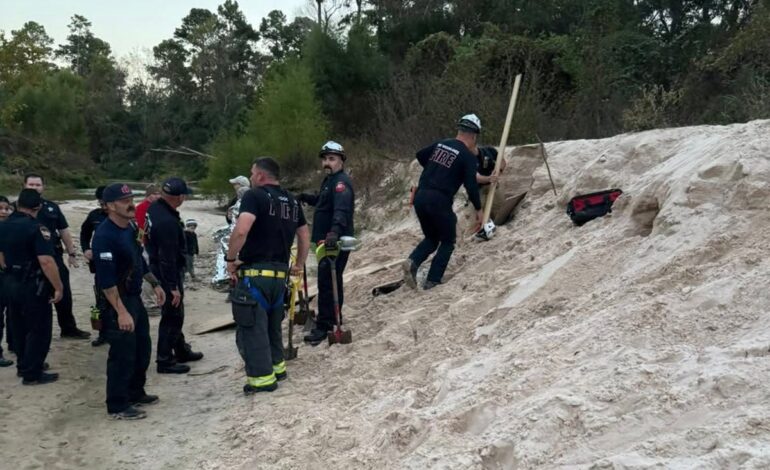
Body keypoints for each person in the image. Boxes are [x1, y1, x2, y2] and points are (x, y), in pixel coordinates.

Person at [225, 157, 309, 394]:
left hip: (255, 276)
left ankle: (262, 381)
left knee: (252, 330)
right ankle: (278, 369)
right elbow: (304, 235)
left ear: (261, 175)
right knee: (273, 327)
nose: (251, 177)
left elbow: (242, 230)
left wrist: (230, 259)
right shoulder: (292, 201)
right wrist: (299, 264)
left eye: (252, 173)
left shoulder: (254, 196)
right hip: (279, 277)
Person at [92, 183, 165, 419]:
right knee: (122, 353)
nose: (130, 204)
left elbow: (138, 260)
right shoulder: (104, 236)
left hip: (134, 298)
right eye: (124, 201)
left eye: (131, 199)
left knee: (142, 347)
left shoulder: (131, 226)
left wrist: (154, 283)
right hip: (117, 300)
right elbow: (106, 281)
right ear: (110, 206)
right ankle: (117, 405)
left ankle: (135, 392)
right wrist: (121, 312)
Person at [402, 114, 483, 290]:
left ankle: (413, 261)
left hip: (420, 196)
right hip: (439, 200)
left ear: (459, 130)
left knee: (432, 238)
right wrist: (479, 209)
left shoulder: (441, 144)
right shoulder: (468, 157)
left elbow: (420, 155)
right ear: (474, 136)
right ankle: (433, 280)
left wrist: (437, 168)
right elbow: (471, 185)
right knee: (448, 240)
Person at [1, 189, 64, 385]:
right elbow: (46, 261)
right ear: (38, 207)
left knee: (18, 326)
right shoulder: (37, 228)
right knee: (39, 329)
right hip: (33, 284)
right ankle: (33, 373)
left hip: (10, 281)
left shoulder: (4, 225)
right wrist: (58, 287)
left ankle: (23, 365)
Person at [297, 141, 355, 345]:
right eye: (325, 159)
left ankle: (324, 326)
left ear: (341, 161)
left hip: (333, 242)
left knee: (327, 282)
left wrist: (334, 232)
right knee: (331, 280)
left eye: (331, 159)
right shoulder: (329, 181)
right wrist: (306, 197)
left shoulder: (341, 183)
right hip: (325, 241)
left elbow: (341, 210)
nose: (327, 163)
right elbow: (323, 201)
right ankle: (333, 318)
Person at [145, 177, 203, 374]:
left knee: (175, 312)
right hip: (166, 270)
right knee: (172, 315)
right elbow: (167, 257)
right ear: (179, 197)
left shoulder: (156, 208)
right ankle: (165, 360)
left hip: (158, 265)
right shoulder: (166, 221)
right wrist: (172, 287)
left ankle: (180, 349)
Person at [22, 173, 90, 339]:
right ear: (24, 186)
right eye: (31, 185)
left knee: (63, 292)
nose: (34, 188)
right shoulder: (16, 207)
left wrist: (71, 252)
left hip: (54, 255)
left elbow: (64, 230)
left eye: (37, 185)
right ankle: (27, 333)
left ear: (43, 187)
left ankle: (68, 328)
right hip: (27, 259)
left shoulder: (52, 207)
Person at [81, 186, 109, 347]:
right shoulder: (94, 216)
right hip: (99, 265)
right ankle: (101, 333)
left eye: (106, 203)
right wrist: (86, 249)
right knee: (100, 302)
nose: (104, 206)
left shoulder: (124, 215)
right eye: (101, 203)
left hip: (122, 265)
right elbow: (84, 234)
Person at [135, 184, 162, 312]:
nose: (158, 196)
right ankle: (148, 302)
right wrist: (140, 243)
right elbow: (140, 227)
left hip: (155, 244)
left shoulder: (157, 207)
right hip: (146, 244)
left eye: (159, 194)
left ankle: (155, 299)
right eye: (155, 194)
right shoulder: (142, 208)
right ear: (149, 195)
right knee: (149, 272)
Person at [0, 195, 14, 367]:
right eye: (0, 209)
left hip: (9, 278)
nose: (3, 212)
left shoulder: (11, 228)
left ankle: (14, 344)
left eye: (6, 208)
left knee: (13, 313)